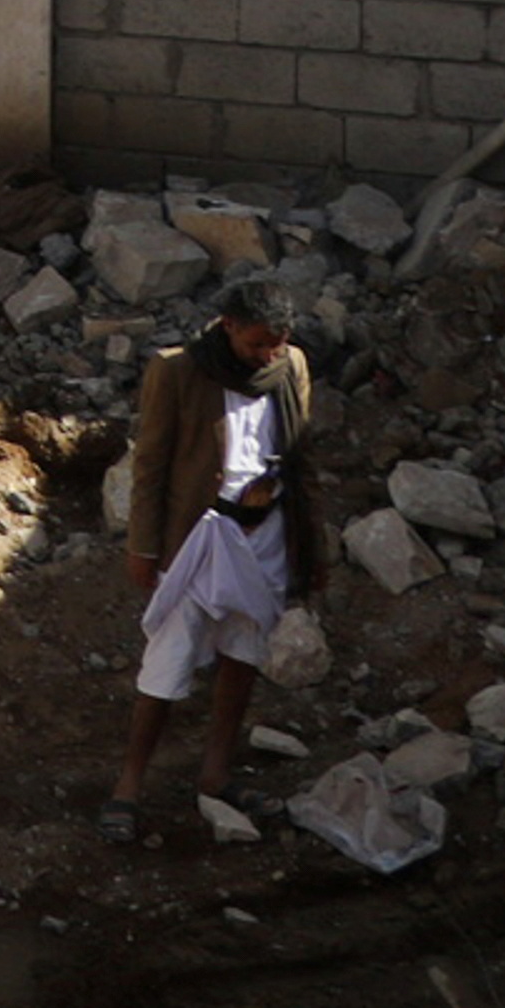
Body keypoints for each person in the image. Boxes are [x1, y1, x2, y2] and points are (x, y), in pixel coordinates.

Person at [109, 292, 332, 835]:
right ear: (229, 327)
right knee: (170, 656)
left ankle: (215, 775)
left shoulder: (290, 365)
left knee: (244, 649)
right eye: (257, 344)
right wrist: (143, 547)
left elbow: (299, 458)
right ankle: (129, 786)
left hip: (268, 532)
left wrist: (311, 544)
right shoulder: (178, 372)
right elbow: (152, 465)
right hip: (201, 536)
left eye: (276, 345)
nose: (267, 356)